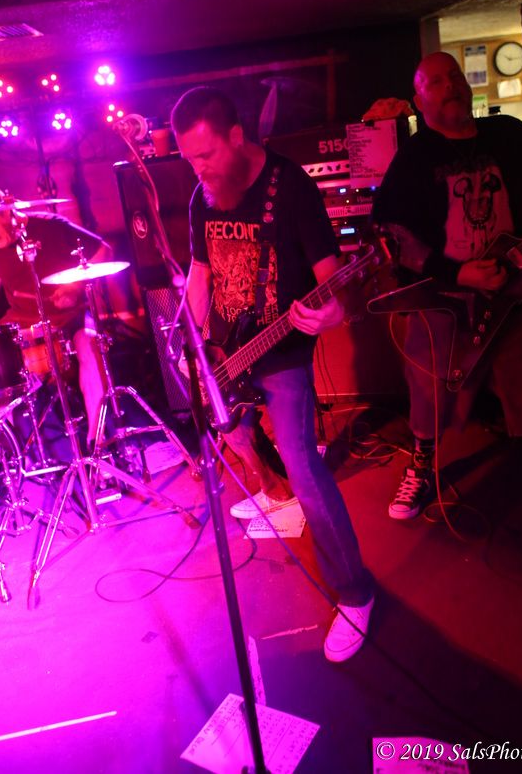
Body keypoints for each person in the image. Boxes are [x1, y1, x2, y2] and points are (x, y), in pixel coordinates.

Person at [171, 86, 374, 662]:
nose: (198, 169)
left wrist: (334, 312)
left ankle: (355, 593)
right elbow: (201, 272)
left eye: (206, 155)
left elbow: (334, 276)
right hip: (224, 353)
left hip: (281, 351)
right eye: (189, 158)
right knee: (231, 432)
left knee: (304, 465)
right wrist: (191, 343)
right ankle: (268, 491)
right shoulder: (203, 196)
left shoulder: (292, 188)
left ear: (237, 137)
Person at [373, 51, 522, 519]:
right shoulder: (414, 156)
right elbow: (393, 233)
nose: (450, 85)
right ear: (419, 100)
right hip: (444, 297)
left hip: (512, 287)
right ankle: (422, 465)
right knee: (428, 388)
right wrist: (457, 272)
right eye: (436, 82)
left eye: (455, 76)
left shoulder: (508, 134)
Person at [0, 193, 109, 447]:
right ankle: (10, 451)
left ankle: (97, 439)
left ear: (6, 211)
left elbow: (103, 250)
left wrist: (74, 289)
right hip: (22, 325)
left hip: (68, 319)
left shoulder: (52, 226)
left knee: (89, 346)